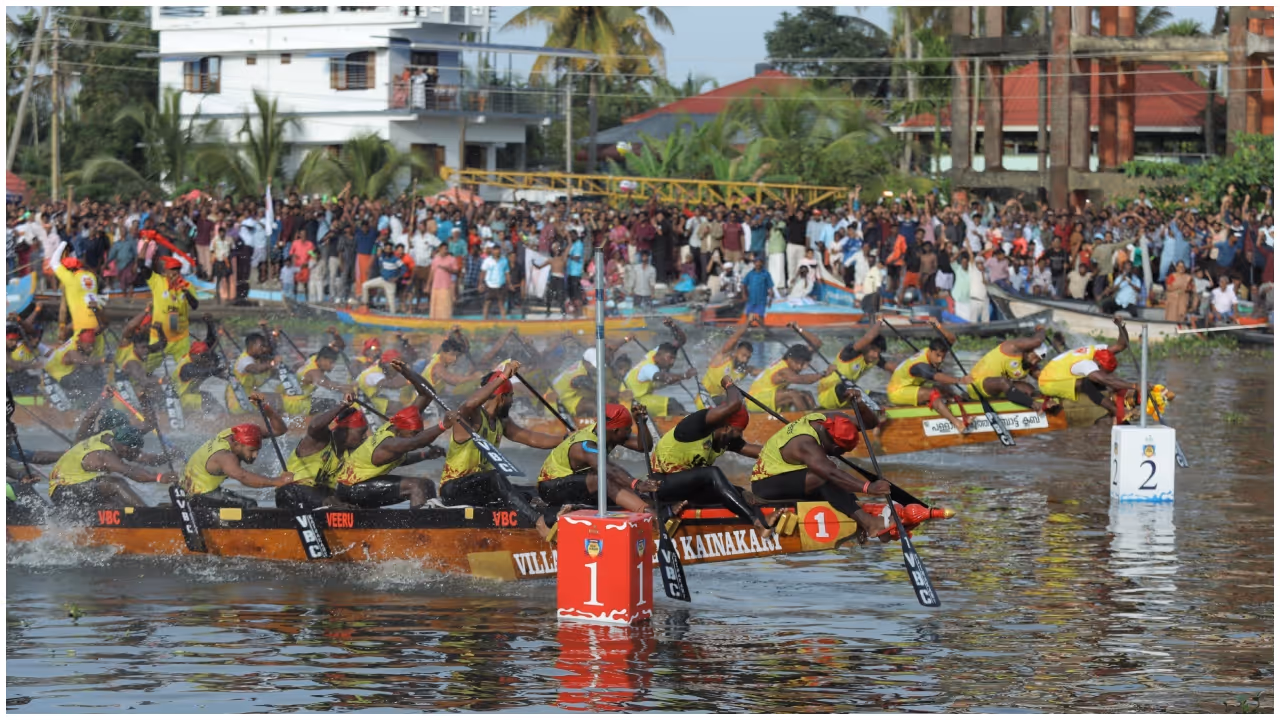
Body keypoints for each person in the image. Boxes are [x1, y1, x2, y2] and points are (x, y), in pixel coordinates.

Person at [438, 363, 564, 536]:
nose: (512, 402)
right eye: (511, 397)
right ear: (502, 397)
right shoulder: (470, 418)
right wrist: (503, 377)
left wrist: (567, 439)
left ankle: (556, 518)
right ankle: (538, 523)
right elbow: (469, 404)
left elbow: (533, 439)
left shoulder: (501, 422)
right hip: (453, 489)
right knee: (496, 477)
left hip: (482, 487)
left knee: (532, 492)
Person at [651, 378, 773, 538]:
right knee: (711, 473)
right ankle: (754, 521)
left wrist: (788, 451)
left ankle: (765, 520)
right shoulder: (695, 426)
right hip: (660, 485)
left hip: (685, 490)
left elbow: (762, 452)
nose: (740, 436)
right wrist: (728, 384)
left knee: (740, 492)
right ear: (726, 427)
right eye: (739, 430)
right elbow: (734, 405)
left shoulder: (724, 439)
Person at [748, 412, 892, 545]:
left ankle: (860, 518)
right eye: (840, 451)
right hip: (766, 485)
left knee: (832, 476)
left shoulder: (830, 419)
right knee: (824, 476)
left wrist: (859, 402)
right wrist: (868, 488)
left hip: (787, 473)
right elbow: (831, 474)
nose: (839, 454)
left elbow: (869, 423)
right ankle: (869, 523)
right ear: (833, 444)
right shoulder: (804, 444)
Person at [331, 360, 453, 509]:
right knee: (418, 486)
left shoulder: (396, 423)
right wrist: (444, 425)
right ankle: (420, 527)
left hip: (361, 482)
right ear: (401, 429)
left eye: (417, 433)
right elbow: (415, 443)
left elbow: (428, 394)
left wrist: (407, 372)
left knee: (427, 484)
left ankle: (429, 519)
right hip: (351, 489)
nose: (414, 436)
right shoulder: (389, 443)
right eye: (413, 433)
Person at [536, 402, 656, 513]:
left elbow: (644, 447)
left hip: (579, 482)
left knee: (635, 492)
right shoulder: (585, 445)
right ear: (615, 430)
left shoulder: (608, 432)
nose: (630, 432)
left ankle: (652, 510)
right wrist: (637, 483)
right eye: (627, 429)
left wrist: (641, 424)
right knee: (603, 478)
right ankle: (651, 516)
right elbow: (609, 469)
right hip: (550, 487)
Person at [183, 394, 293, 509]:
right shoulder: (226, 457)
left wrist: (266, 409)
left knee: (243, 503)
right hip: (197, 494)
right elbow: (244, 477)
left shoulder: (234, 434)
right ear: (236, 445)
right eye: (251, 451)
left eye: (257, 450)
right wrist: (278, 481)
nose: (255, 455)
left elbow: (279, 430)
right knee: (249, 505)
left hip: (199, 486)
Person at [47, 423, 172, 510]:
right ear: (125, 448)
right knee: (115, 483)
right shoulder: (104, 455)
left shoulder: (110, 435)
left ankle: (131, 522)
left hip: (75, 484)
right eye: (135, 451)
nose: (137, 455)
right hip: (63, 492)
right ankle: (147, 516)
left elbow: (150, 424)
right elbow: (131, 472)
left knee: (116, 501)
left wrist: (144, 399)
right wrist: (159, 477)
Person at [276, 394, 365, 513]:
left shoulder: (351, 453)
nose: (364, 437)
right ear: (344, 432)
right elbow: (313, 426)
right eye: (361, 432)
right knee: (332, 502)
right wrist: (342, 405)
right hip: (291, 493)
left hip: (321, 500)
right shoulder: (320, 441)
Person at [1037, 316, 1139, 418]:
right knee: (1088, 383)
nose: (1104, 373)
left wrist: (1121, 326)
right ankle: (1115, 410)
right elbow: (1105, 379)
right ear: (1097, 364)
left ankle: (1113, 398)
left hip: (1060, 372)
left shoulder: (1098, 351)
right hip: (1048, 382)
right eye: (1104, 371)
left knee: (1103, 379)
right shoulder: (1085, 364)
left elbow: (1121, 345)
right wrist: (1134, 386)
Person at [885, 320, 973, 434]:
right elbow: (937, 376)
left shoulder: (934, 350)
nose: (940, 360)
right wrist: (960, 380)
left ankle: (957, 406)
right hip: (897, 392)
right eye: (937, 356)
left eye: (943, 356)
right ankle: (958, 424)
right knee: (933, 392)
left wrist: (938, 325)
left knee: (945, 389)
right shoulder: (921, 365)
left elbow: (951, 339)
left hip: (911, 385)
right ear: (930, 351)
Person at [815, 319, 897, 410]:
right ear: (866, 346)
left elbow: (895, 369)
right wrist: (879, 321)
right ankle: (872, 410)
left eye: (879, 352)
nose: (876, 355)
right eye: (873, 350)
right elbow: (868, 338)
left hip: (850, 394)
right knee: (843, 387)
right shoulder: (850, 353)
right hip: (827, 395)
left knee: (885, 397)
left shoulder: (874, 358)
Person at [620, 319, 696, 416]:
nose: (672, 362)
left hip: (642, 398)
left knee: (676, 406)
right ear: (658, 357)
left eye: (674, 358)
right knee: (671, 404)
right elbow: (663, 377)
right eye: (670, 358)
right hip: (631, 402)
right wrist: (685, 375)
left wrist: (673, 326)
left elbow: (681, 340)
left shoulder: (660, 352)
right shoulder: (649, 368)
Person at [746, 324, 826, 412]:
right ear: (790, 359)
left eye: (803, 363)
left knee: (806, 395)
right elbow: (802, 380)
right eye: (799, 363)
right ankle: (805, 421)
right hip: (754, 400)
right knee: (793, 394)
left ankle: (817, 417)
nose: (801, 367)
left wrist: (798, 328)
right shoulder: (784, 370)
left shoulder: (797, 357)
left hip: (770, 395)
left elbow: (816, 343)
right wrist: (823, 374)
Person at [968, 326, 1051, 411]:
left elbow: (1043, 378)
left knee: (1028, 389)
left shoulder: (1028, 365)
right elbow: (1037, 341)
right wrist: (1041, 329)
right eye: (1034, 357)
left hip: (996, 391)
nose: (1034, 362)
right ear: (1027, 350)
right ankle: (1034, 405)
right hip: (977, 385)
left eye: (1037, 361)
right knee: (1003, 381)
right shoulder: (1010, 348)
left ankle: (1035, 409)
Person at [137, 254, 199, 360]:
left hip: (180, 339)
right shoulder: (157, 281)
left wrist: (186, 292)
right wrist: (146, 241)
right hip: (158, 338)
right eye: (172, 270)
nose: (175, 273)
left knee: (184, 372)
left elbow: (195, 306)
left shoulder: (187, 285)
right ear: (165, 272)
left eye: (177, 270)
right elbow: (141, 265)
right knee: (145, 371)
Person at [697, 320, 758, 409]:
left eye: (748, 358)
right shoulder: (722, 359)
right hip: (704, 400)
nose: (745, 360)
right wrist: (747, 324)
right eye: (743, 355)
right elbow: (733, 340)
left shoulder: (744, 370)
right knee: (736, 400)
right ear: (736, 352)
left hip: (720, 404)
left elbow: (764, 373)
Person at [225, 332, 285, 415]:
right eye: (261, 346)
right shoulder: (245, 361)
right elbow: (256, 369)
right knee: (272, 400)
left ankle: (279, 421)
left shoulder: (254, 357)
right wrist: (273, 363)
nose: (263, 349)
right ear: (252, 346)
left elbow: (270, 349)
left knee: (277, 398)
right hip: (239, 400)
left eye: (264, 346)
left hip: (249, 396)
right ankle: (276, 423)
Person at [43, 329, 108, 406]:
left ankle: (96, 399)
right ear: (80, 342)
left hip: (66, 372)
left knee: (95, 374)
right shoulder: (72, 352)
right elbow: (86, 362)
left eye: (92, 345)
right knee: (87, 380)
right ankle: (93, 405)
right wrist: (104, 360)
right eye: (88, 345)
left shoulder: (78, 337)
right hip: (56, 378)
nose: (91, 348)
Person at [282, 346, 353, 417]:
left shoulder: (313, 358)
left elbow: (296, 365)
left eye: (334, 363)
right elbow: (327, 384)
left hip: (287, 399)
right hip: (296, 404)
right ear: (322, 359)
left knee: (328, 400)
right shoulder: (314, 372)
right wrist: (345, 388)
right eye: (331, 362)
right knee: (331, 404)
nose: (333, 366)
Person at [361, 243, 406, 314]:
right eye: (386, 249)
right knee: (364, 285)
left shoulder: (396, 259)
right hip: (382, 279)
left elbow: (404, 269)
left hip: (390, 283)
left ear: (392, 250)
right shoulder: (382, 257)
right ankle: (365, 304)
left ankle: (393, 317)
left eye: (389, 249)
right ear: (384, 249)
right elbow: (376, 250)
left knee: (391, 304)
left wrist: (397, 278)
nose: (388, 250)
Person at [742, 256, 776, 324]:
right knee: (748, 314)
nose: (757, 264)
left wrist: (770, 300)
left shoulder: (766, 274)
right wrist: (744, 295)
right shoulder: (750, 274)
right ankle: (748, 329)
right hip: (751, 298)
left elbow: (770, 287)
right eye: (756, 262)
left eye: (759, 262)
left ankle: (762, 330)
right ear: (754, 263)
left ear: (762, 263)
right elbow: (744, 284)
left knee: (761, 315)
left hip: (761, 299)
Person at [480, 244, 509, 320]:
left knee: (501, 303)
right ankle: (484, 319)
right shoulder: (487, 260)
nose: (497, 251)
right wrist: (480, 283)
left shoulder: (504, 260)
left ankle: (504, 320)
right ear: (492, 251)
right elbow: (483, 272)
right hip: (489, 284)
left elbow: (507, 272)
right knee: (487, 303)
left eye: (498, 250)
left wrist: (509, 283)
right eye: (495, 250)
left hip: (500, 284)